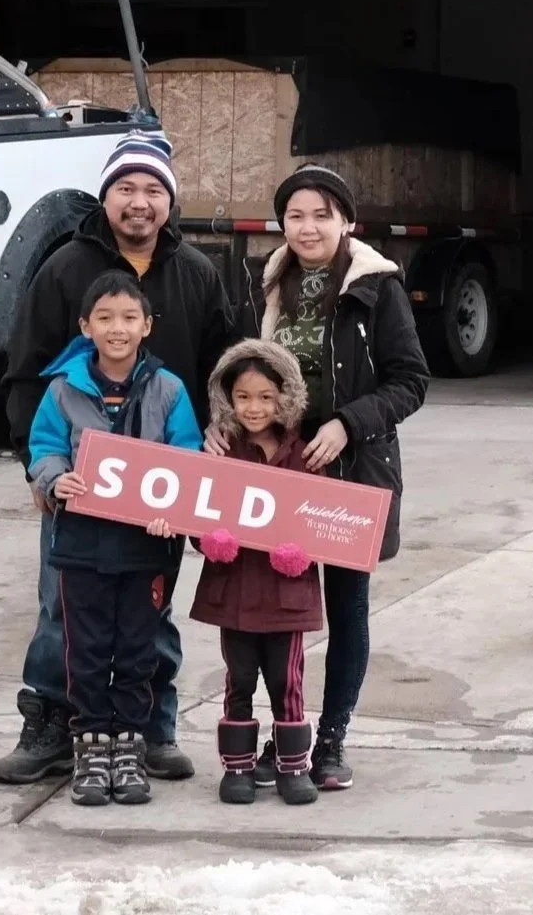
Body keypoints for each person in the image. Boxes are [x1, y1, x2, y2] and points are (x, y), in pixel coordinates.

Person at [0, 131, 248, 786]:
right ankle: (49, 724)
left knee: (150, 606)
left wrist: (219, 430)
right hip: (76, 487)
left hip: (161, 488)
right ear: (105, 195)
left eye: (153, 190)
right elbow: (24, 374)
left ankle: (152, 727)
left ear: (170, 200)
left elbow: (228, 362)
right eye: (126, 188)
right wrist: (37, 467)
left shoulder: (196, 272)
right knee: (61, 606)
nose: (139, 202)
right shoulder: (64, 270)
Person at [252, 164, 429, 792]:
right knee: (281, 612)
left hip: (353, 470)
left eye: (322, 215)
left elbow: (411, 381)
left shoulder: (376, 288)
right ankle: (288, 735)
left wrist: (349, 425)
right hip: (282, 468)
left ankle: (330, 742)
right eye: (296, 215)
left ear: (347, 221)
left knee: (346, 608)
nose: (307, 227)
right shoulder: (270, 283)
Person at [24, 272, 203, 808]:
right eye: (104, 318)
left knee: (136, 651)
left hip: (146, 550)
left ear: (147, 326)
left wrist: (174, 510)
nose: (117, 328)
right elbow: (44, 446)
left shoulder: (169, 390)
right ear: (86, 326)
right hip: (80, 545)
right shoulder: (62, 389)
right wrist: (55, 478)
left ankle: (130, 745)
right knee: (86, 651)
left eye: (129, 318)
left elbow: (186, 457)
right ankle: (90, 745)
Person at [190, 339, 325, 807]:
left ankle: (293, 768)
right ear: (227, 399)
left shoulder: (306, 457)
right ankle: (238, 769)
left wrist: (303, 551)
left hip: (287, 600)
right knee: (239, 679)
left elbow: (327, 524)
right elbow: (196, 517)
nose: (254, 407)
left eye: (266, 397)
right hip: (236, 597)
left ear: (285, 398)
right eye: (243, 397)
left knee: (288, 682)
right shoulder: (220, 453)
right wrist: (211, 539)